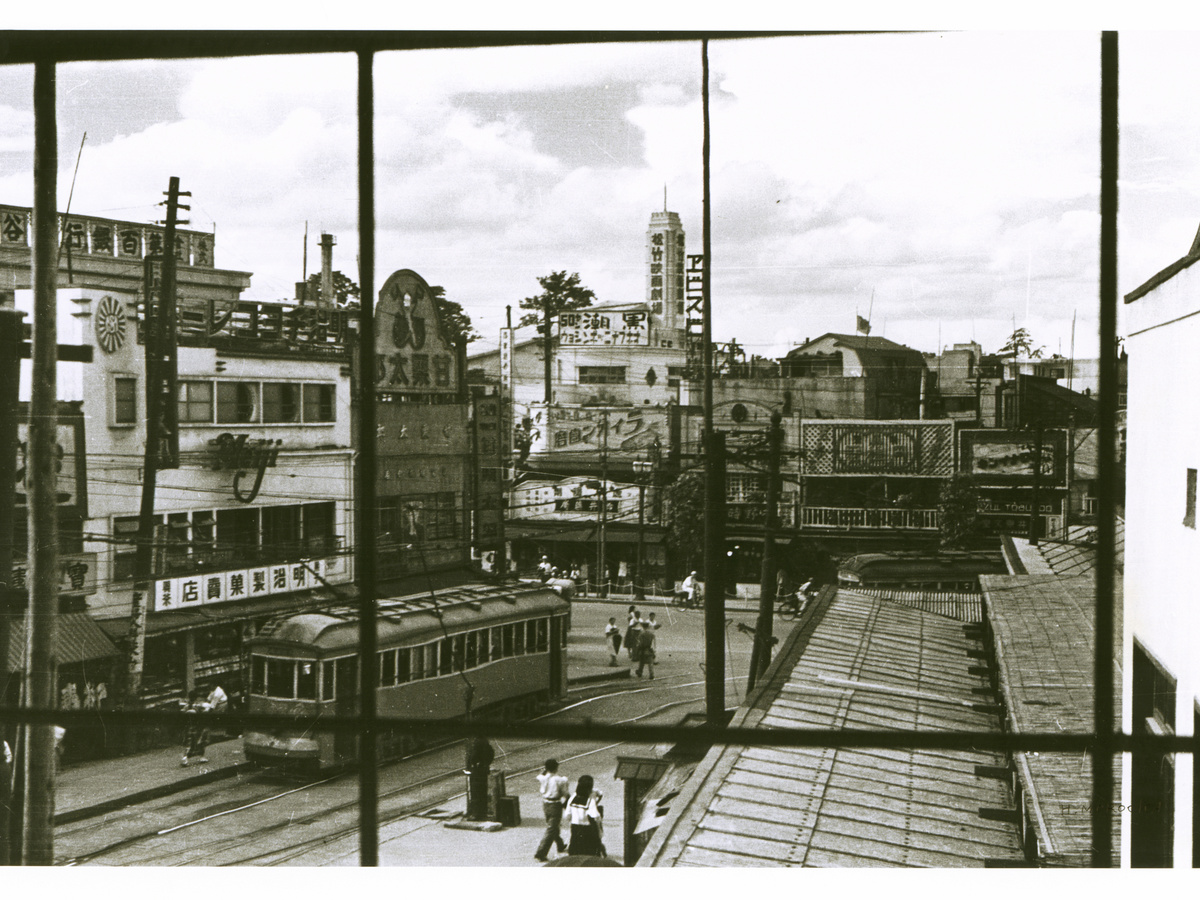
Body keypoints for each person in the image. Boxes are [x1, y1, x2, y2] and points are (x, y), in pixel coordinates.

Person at [534, 758, 570, 862]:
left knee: (552, 826)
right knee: (552, 828)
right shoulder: (560, 780)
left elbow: (540, 775)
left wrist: (545, 770)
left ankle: (560, 844)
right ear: (556, 767)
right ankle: (541, 853)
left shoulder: (542, 778)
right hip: (555, 805)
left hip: (545, 804)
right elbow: (565, 794)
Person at [566, 774, 605, 857]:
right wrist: (600, 831)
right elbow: (596, 816)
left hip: (575, 828)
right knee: (590, 853)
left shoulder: (573, 797)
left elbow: (567, 815)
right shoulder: (590, 800)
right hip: (587, 829)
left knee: (575, 853)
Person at [181, 690, 211, 767]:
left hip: (190, 726)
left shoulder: (187, 705)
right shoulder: (198, 705)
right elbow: (205, 710)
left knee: (190, 742)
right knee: (199, 741)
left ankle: (187, 758)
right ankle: (199, 756)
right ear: (196, 697)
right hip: (197, 726)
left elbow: (183, 712)